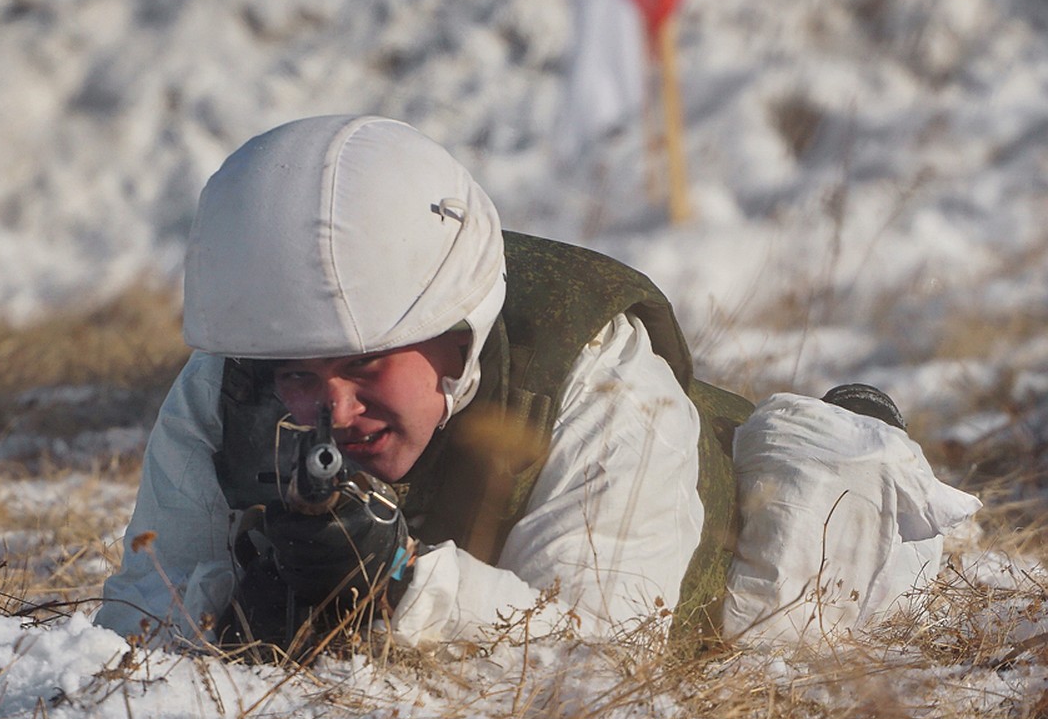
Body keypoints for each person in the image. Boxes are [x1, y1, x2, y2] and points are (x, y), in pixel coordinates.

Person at [95, 115, 979, 657]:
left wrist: (402, 589)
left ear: (455, 334)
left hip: (712, 523)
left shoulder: (600, 379)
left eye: (366, 368)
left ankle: (860, 420)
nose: (331, 410)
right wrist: (236, 618)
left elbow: (600, 657)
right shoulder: (230, 374)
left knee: (804, 555)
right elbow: (146, 605)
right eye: (296, 375)